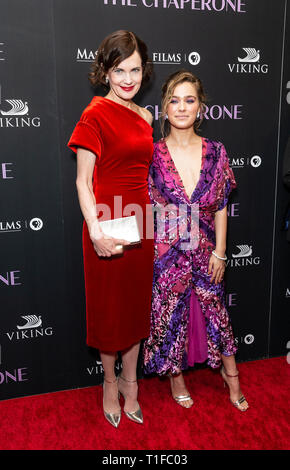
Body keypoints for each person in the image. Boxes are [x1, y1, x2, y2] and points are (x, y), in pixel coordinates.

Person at [143, 70, 249, 412]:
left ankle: (232, 378)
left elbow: (220, 206)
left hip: (206, 249)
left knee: (216, 311)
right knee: (171, 314)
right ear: (164, 107)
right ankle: (177, 379)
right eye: (174, 100)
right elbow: (146, 207)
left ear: (200, 107)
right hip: (168, 253)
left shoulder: (216, 152)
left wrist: (221, 252)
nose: (182, 107)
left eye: (189, 100)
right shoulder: (152, 155)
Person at [68, 30, 154, 427]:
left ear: (144, 71)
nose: (127, 79)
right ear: (105, 70)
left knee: (136, 310)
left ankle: (131, 382)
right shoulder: (94, 114)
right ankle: (108, 382)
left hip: (141, 223)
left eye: (134, 69)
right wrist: (96, 231)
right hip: (105, 222)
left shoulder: (147, 117)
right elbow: (83, 182)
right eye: (119, 69)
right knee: (108, 312)